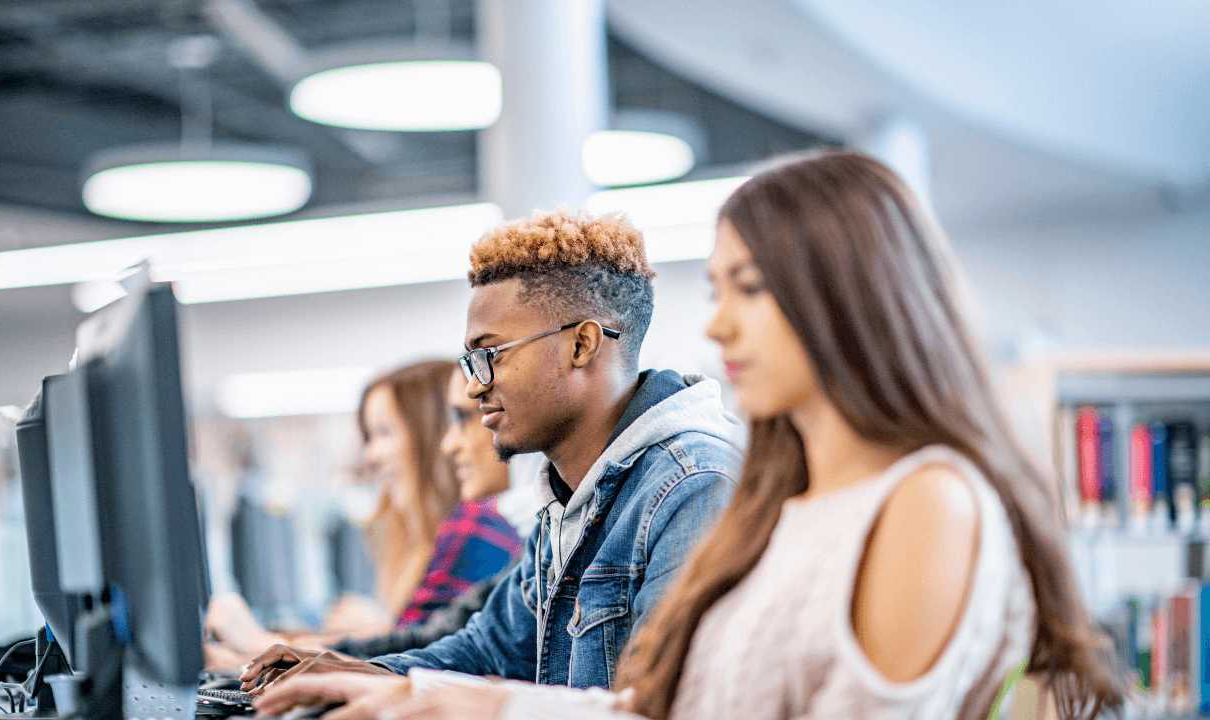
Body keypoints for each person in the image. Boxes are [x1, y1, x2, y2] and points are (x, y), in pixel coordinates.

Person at [252, 149, 1126, 720]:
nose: (717, 329)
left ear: (848, 296)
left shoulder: (924, 502)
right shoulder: (783, 502)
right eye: (718, 291)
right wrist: (432, 695)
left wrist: (464, 704)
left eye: (749, 288)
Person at [239, 208, 744, 692]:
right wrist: (354, 672)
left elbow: (662, 706)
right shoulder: (568, 498)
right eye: (470, 362)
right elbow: (488, 649)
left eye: (490, 356)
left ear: (582, 345)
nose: (476, 387)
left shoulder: (691, 487)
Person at [205, 360, 521, 664]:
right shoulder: (449, 530)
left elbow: (423, 654)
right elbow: (420, 641)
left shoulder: (472, 524)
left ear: (431, 432)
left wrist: (259, 648)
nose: (371, 454)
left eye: (385, 432)